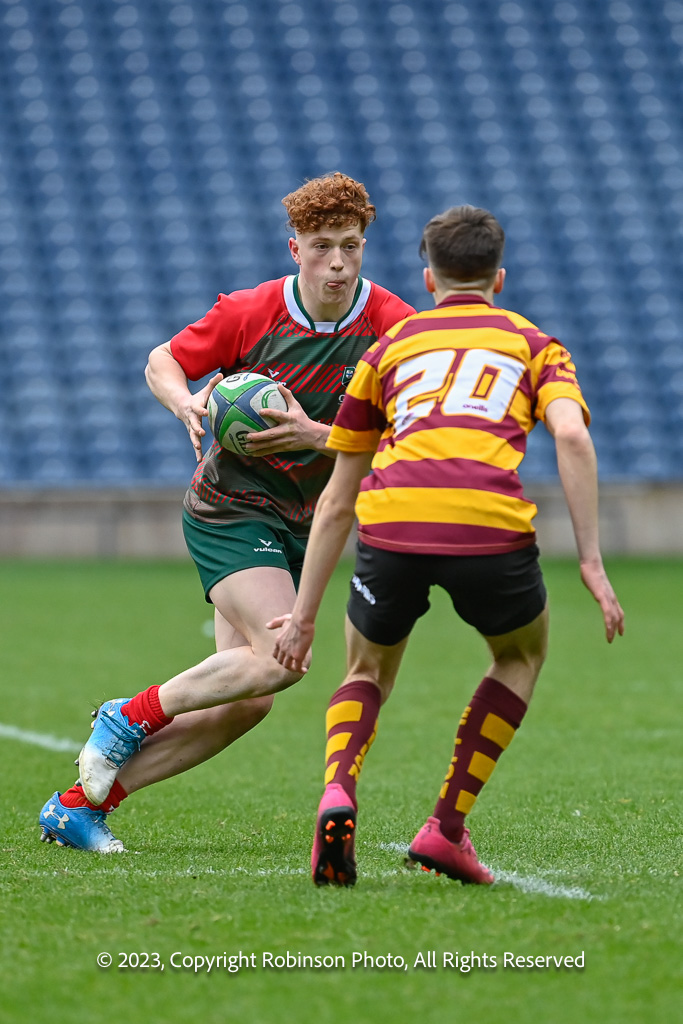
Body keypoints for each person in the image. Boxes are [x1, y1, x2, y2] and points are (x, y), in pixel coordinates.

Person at [39, 172, 415, 853]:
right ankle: (128, 716)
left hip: (306, 524)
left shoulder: (393, 327)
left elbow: (412, 434)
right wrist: (184, 403)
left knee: (246, 701)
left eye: (351, 246)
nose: (337, 262)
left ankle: (75, 808)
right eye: (322, 247)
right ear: (295, 247)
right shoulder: (251, 312)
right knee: (282, 659)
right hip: (231, 510)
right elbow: (162, 361)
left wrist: (315, 435)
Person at [269, 204, 625, 887]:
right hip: (487, 526)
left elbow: (338, 498)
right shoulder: (535, 345)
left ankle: (338, 791)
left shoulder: (388, 350)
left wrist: (304, 616)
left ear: (428, 280)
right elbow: (572, 436)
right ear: (499, 278)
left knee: (365, 669)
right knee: (519, 656)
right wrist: (590, 560)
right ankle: (446, 828)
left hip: (393, 523)